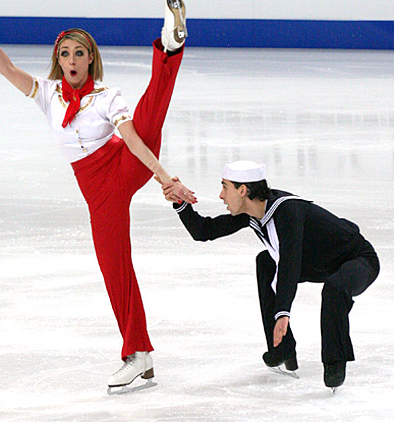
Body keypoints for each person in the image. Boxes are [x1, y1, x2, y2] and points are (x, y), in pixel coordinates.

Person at [0, 0, 196, 389]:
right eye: (65, 53)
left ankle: (170, 48)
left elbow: (135, 141)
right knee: (114, 266)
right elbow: (8, 71)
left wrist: (165, 179)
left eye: (79, 53)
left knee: (147, 122)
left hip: (125, 163)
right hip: (97, 189)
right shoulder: (49, 93)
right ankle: (141, 354)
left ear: (91, 58)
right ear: (59, 59)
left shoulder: (106, 96)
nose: (72, 59)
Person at [160, 161, 379, 390]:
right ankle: (282, 349)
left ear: (243, 190)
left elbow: (289, 263)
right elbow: (203, 231)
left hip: (357, 260)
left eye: (225, 187)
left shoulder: (288, 211)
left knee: (334, 287)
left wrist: (283, 311)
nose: (221, 195)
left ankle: (335, 361)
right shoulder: (251, 212)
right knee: (265, 262)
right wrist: (180, 203)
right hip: (318, 263)